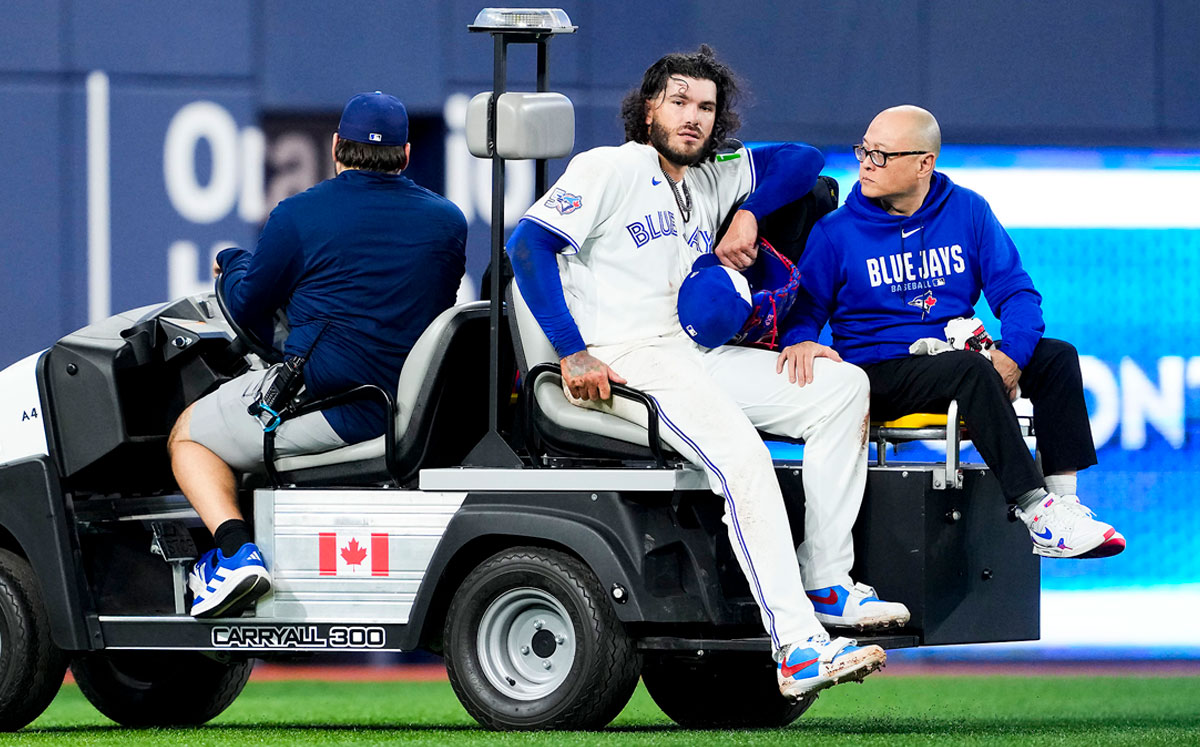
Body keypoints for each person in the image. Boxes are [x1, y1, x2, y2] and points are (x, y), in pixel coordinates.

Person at [506, 45, 895, 700]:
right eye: (679, 101)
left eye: (707, 107)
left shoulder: (713, 174)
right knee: (744, 460)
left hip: (693, 356)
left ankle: (826, 576)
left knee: (841, 389)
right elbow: (528, 245)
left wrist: (746, 210)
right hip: (626, 356)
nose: (693, 117)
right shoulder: (612, 167)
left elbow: (801, 160)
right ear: (649, 106)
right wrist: (573, 351)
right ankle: (798, 646)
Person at [168, 91, 468, 618]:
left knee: (188, 436)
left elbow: (246, 301)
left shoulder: (299, 214)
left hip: (336, 407)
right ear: (405, 152)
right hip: (419, 411)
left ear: (335, 147)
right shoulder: (447, 220)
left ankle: (236, 555)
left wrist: (231, 258)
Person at [780, 104, 1125, 560]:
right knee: (967, 369)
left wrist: (1014, 355)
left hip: (955, 358)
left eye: (882, 154)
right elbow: (801, 311)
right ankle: (1033, 507)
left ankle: (1063, 503)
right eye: (864, 149)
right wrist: (800, 338)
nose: (865, 162)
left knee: (1057, 356)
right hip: (878, 371)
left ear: (924, 163)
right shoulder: (836, 233)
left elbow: (1017, 293)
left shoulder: (967, 210)